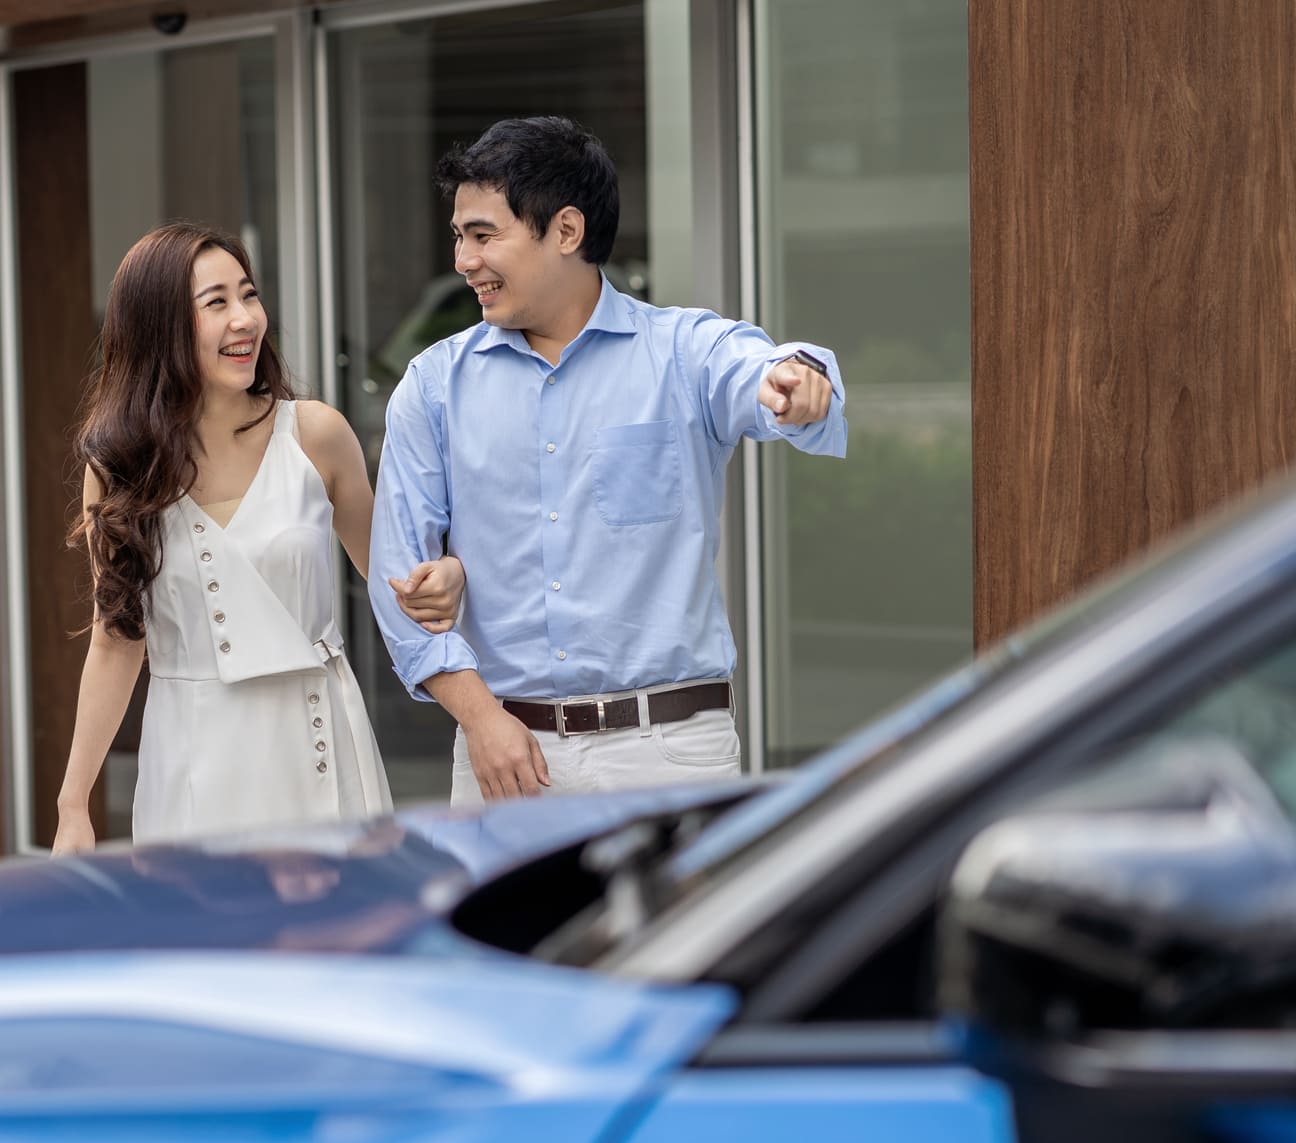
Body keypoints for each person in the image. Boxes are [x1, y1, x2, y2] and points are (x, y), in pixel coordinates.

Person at [369, 116, 847, 806]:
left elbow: (760, 366)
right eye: (458, 236)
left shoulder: (682, 353)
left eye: (483, 235)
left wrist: (795, 380)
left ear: (566, 231)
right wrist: (480, 720)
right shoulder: (433, 385)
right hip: (503, 753)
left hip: (671, 753)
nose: (463, 260)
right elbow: (400, 580)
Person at [52, 223, 463, 853]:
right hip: (190, 764)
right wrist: (74, 802)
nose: (246, 319)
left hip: (317, 740)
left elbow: (399, 583)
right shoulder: (119, 471)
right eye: (216, 303)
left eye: (249, 295)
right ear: (159, 326)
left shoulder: (315, 435)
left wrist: (446, 576)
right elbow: (116, 642)